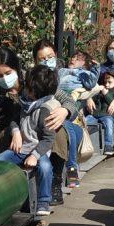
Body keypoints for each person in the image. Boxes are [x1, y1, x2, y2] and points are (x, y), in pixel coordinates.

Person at [0, 65, 60, 217]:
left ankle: (44, 200)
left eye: (28, 88)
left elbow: (48, 139)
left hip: (38, 150)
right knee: (0, 160)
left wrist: (35, 155)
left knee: (45, 167)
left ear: (36, 91)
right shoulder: (25, 103)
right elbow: (14, 120)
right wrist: (15, 131)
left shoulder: (44, 109)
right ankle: (2, 197)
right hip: (22, 148)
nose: (25, 90)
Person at [32, 40, 85, 197]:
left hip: (68, 125)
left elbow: (70, 103)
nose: (47, 61)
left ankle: (57, 181)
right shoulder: (32, 78)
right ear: (35, 61)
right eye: (42, 59)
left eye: (50, 57)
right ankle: (69, 170)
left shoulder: (60, 76)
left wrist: (64, 110)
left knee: (61, 128)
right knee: (55, 128)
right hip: (40, 125)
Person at [85, 70, 114, 156]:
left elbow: (111, 102)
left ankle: (108, 145)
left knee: (109, 124)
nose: (107, 85)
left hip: (107, 115)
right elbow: (91, 96)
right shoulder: (98, 91)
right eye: (105, 82)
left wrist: (106, 93)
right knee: (85, 122)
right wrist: (89, 98)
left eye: (110, 82)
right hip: (94, 115)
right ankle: (84, 144)